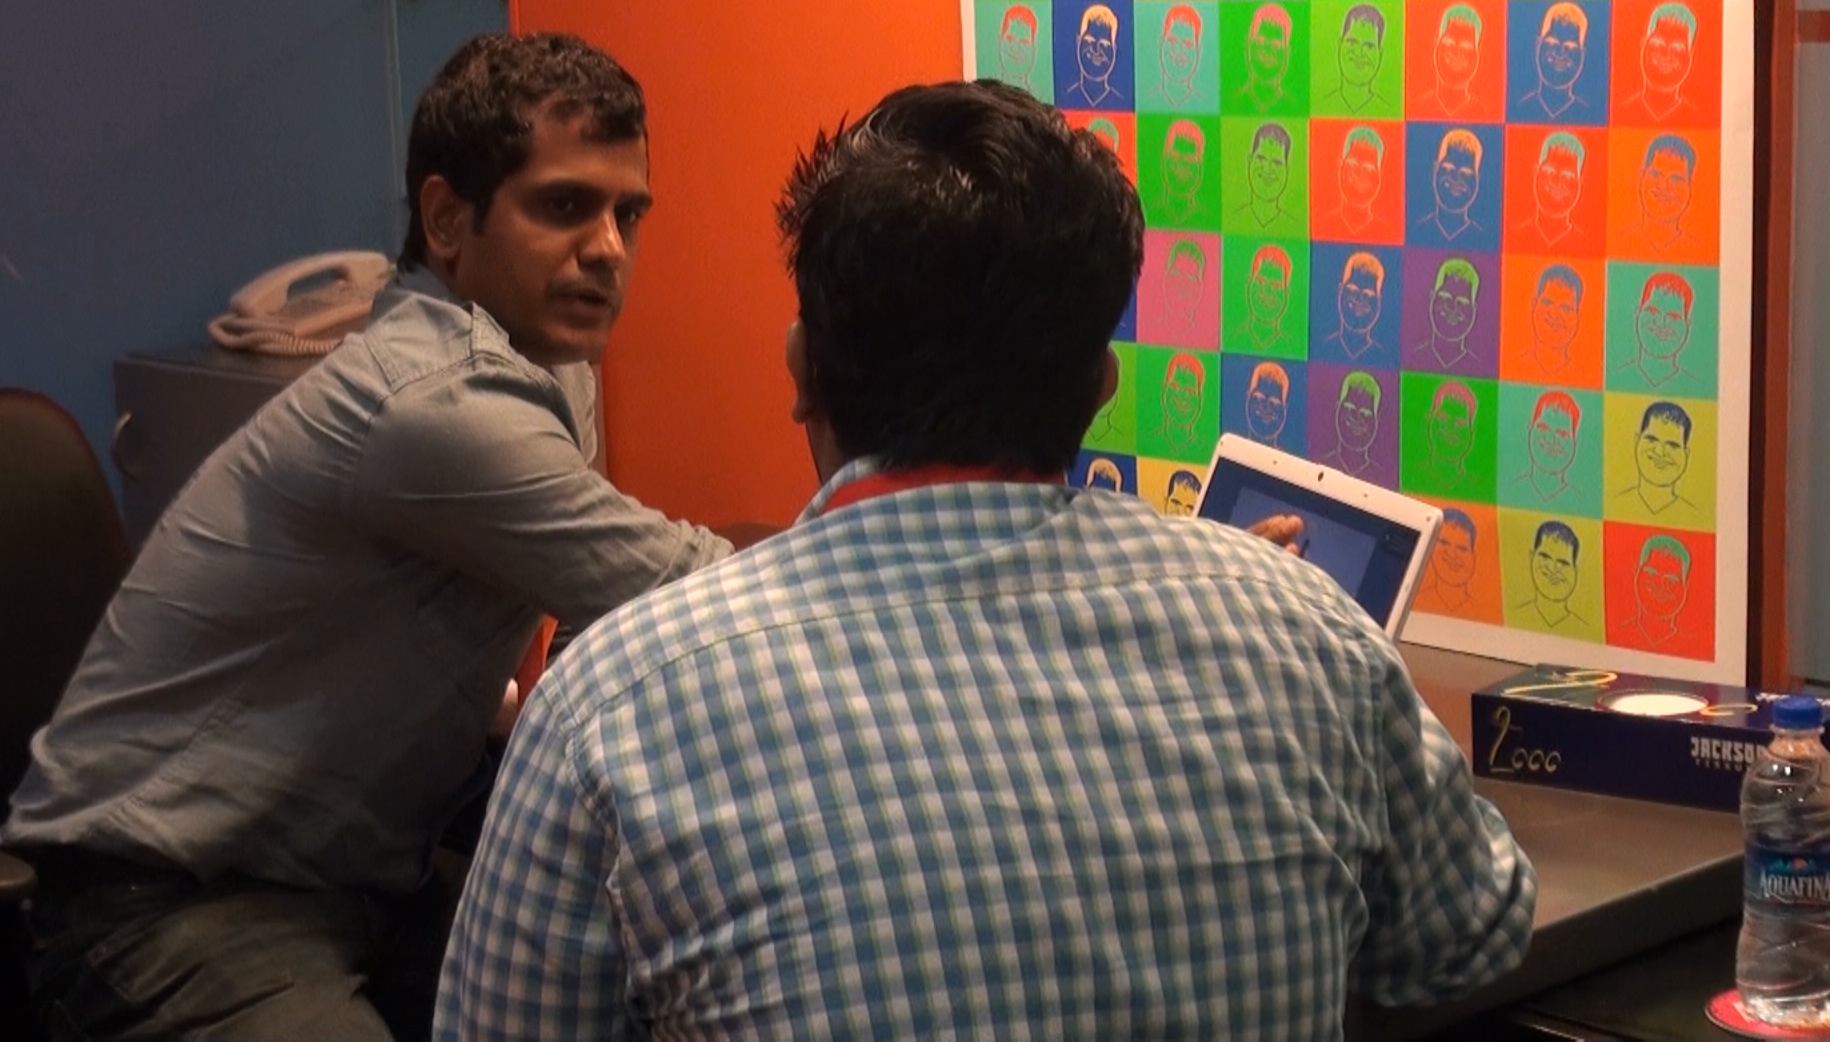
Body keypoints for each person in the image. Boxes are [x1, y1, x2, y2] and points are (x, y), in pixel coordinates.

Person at [437, 78, 1534, 1038]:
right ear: (1098, 390)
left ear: (802, 369)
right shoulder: (1312, 633)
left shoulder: (608, 711)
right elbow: (1469, 939)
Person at [0, 33, 761, 1040]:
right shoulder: (431, 401)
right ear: (446, 219)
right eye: (565, 206)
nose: (609, 248)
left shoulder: (549, 368)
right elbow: (682, 584)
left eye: (629, 214)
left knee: (655, 999)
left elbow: (601, 599)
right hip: (164, 908)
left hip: (361, 881)